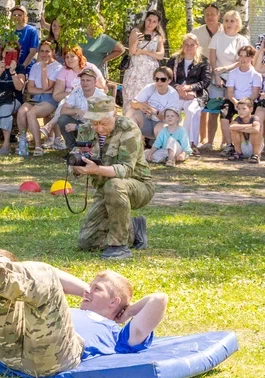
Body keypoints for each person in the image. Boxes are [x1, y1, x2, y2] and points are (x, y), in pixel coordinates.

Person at [0, 234, 166, 378]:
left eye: (98, 289)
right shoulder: (69, 310)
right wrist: (87, 289)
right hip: (8, 352)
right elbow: (49, 275)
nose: (89, 291)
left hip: (53, 360)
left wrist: (127, 312)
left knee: (43, 275)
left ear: (114, 302)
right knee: (4, 263)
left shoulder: (119, 333)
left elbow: (159, 299)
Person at [71, 95, 152, 260]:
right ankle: (133, 230)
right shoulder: (86, 130)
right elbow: (79, 155)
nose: (99, 128)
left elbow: (126, 169)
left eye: (103, 123)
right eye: (95, 123)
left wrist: (97, 170)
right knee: (86, 241)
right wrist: (76, 166)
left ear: (114, 114)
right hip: (105, 187)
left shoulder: (129, 129)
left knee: (114, 185)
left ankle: (119, 246)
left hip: (137, 185)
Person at [205, 9, 248, 150]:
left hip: (234, 80)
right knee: (213, 111)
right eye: (227, 21)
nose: (229, 24)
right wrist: (217, 75)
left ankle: (226, 143)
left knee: (228, 111)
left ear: (237, 23)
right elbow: (212, 58)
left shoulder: (241, 40)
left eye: (232, 21)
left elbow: (242, 60)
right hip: (217, 79)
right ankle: (209, 141)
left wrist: (225, 69)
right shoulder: (217, 37)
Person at [14, 41, 62, 156]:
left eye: (47, 51)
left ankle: (38, 146)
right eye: (42, 51)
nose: (44, 54)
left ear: (53, 52)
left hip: (50, 99)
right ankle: (23, 139)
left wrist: (44, 68)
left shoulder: (58, 67)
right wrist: (43, 90)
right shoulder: (35, 66)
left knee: (31, 113)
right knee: (22, 111)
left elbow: (47, 87)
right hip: (36, 98)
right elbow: (30, 88)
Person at [164, 33, 210, 149]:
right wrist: (177, 88)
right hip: (176, 93)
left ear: (197, 46)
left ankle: (190, 142)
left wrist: (190, 88)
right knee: (171, 112)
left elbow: (206, 81)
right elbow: (166, 77)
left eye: (192, 45)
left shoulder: (203, 61)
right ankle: (170, 141)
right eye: (186, 44)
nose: (189, 47)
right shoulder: (174, 60)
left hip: (196, 94)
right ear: (182, 46)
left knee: (191, 111)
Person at [221, 44, 263, 156]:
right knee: (224, 116)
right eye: (241, 56)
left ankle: (253, 147)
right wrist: (236, 103)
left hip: (249, 101)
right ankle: (230, 145)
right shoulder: (233, 73)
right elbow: (229, 93)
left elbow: (255, 94)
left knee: (255, 119)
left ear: (252, 58)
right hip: (234, 100)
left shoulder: (256, 75)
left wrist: (245, 104)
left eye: (246, 56)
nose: (243, 59)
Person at [123, 10, 166, 117]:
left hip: (150, 72)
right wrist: (137, 41)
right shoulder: (136, 31)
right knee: (131, 98)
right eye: (149, 20)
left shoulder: (158, 36)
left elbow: (160, 55)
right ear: (145, 20)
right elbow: (132, 51)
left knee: (147, 99)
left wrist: (144, 52)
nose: (150, 24)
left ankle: (145, 127)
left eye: (154, 22)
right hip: (135, 71)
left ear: (157, 23)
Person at [129, 66, 185, 141]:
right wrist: (141, 105)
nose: (159, 82)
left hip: (162, 125)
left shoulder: (173, 95)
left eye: (163, 79)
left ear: (169, 80)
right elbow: (133, 103)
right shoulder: (150, 87)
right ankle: (131, 142)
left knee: (161, 128)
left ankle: (164, 150)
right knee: (132, 111)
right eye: (156, 79)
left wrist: (154, 111)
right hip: (147, 122)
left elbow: (169, 120)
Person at [56, 64, 103, 150]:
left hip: (94, 129)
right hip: (79, 123)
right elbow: (63, 111)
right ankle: (72, 149)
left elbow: (100, 123)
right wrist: (76, 110)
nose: (85, 83)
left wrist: (78, 127)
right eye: (83, 80)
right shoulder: (77, 91)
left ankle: (90, 148)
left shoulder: (101, 97)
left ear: (95, 82)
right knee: (63, 119)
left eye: (88, 80)